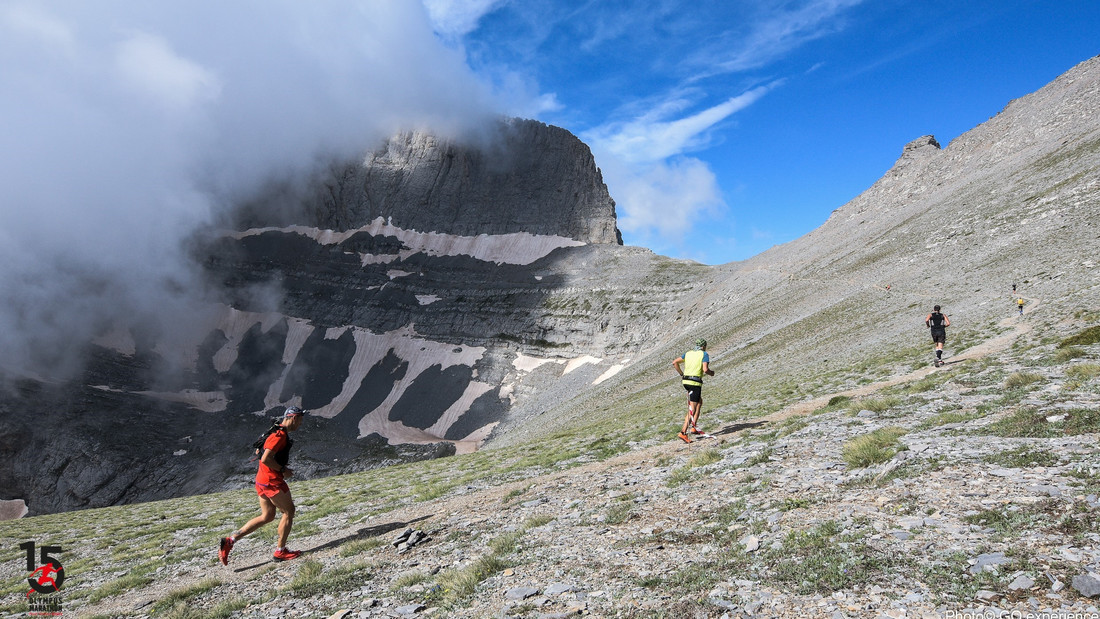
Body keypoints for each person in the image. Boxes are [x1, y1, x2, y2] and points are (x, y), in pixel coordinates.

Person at [220, 406, 306, 565]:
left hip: (262, 480)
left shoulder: (275, 430)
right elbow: (265, 458)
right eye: (300, 420)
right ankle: (280, 551)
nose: (301, 424)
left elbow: (258, 452)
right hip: (272, 481)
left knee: (267, 516)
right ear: (294, 418)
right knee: (289, 511)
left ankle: (230, 541)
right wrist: (283, 470)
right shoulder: (279, 436)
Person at [673, 338, 714, 443]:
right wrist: (711, 373)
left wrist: (681, 374)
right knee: (693, 408)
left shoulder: (688, 353)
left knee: (699, 402)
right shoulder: (704, 354)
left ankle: (694, 426)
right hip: (695, 383)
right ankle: (683, 432)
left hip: (686, 381)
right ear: (704, 346)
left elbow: (675, 362)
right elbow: (705, 369)